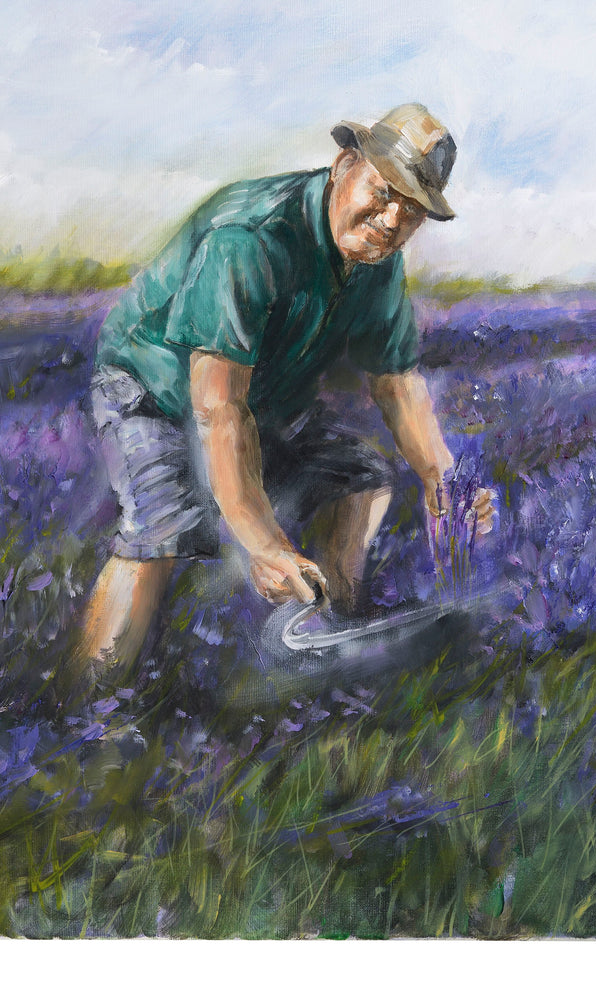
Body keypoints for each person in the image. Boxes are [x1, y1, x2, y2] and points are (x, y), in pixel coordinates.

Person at [76, 103, 493, 676]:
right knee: (164, 523)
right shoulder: (249, 238)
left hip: (262, 399)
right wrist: (262, 542)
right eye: (385, 190)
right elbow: (219, 407)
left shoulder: (376, 260)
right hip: (153, 388)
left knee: (361, 481)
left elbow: (396, 381)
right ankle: (93, 706)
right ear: (345, 163)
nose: (393, 218)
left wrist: (440, 477)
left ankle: (332, 626)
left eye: (413, 209)